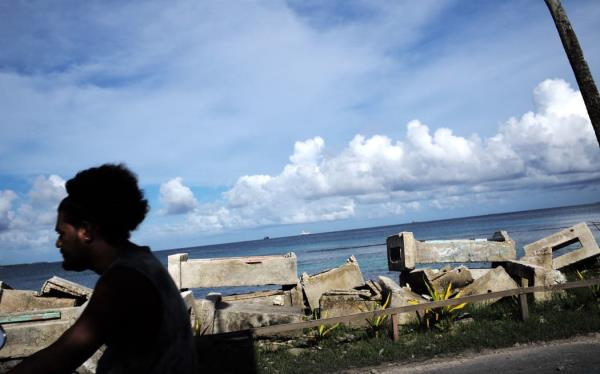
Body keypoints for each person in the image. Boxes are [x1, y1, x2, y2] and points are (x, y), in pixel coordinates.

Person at [10, 164, 197, 374]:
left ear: (86, 231)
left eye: (61, 233)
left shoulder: (122, 281)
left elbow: (62, 356)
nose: (58, 243)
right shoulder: (143, 263)